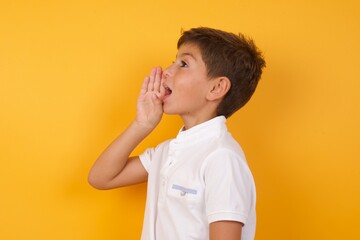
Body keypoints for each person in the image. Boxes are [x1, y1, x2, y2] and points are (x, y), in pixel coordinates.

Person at [88, 27, 265, 240]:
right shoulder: (167, 152)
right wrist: (141, 125)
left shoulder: (222, 158)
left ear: (216, 88)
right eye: (174, 61)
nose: (167, 71)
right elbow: (101, 178)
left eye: (184, 64)